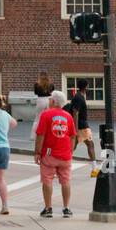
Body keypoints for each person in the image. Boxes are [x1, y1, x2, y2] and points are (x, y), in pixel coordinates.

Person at [35, 90, 77, 218]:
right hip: (65, 154)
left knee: (47, 179)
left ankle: (48, 208)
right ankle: (66, 208)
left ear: (53, 101)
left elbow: (40, 135)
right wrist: (70, 150)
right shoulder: (68, 116)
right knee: (65, 180)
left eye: (49, 99)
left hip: (49, 153)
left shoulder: (45, 115)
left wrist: (37, 152)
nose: (48, 101)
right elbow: (72, 136)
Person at [66, 78, 99, 173]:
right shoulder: (79, 97)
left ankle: (61, 167)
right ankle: (94, 169)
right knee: (90, 145)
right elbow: (75, 112)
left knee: (72, 147)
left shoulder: (79, 96)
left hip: (80, 125)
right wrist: (75, 129)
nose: (88, 88)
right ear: (85, 87)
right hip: (82, 126)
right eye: (88, 86)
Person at [31, 73, 54, 142]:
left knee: (38, 118)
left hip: (40, 100)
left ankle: (34, 136)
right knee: (50, 118)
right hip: (49, 99)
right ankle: (49, 135)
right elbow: (52, 92)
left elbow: (35, 93)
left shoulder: (37, 84)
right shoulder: (51, 84)